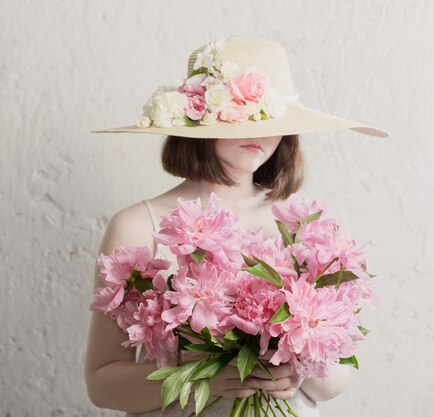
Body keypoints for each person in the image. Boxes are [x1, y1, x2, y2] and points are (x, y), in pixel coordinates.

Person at [84, 36, 388, 417]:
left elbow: (336, 379)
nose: (261, 133)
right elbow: (101, 383)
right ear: (200, 118)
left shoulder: (302, 225)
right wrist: (200, 378)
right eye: (242, 116)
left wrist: (298, 372)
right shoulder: (138, 226)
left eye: (273, 119)